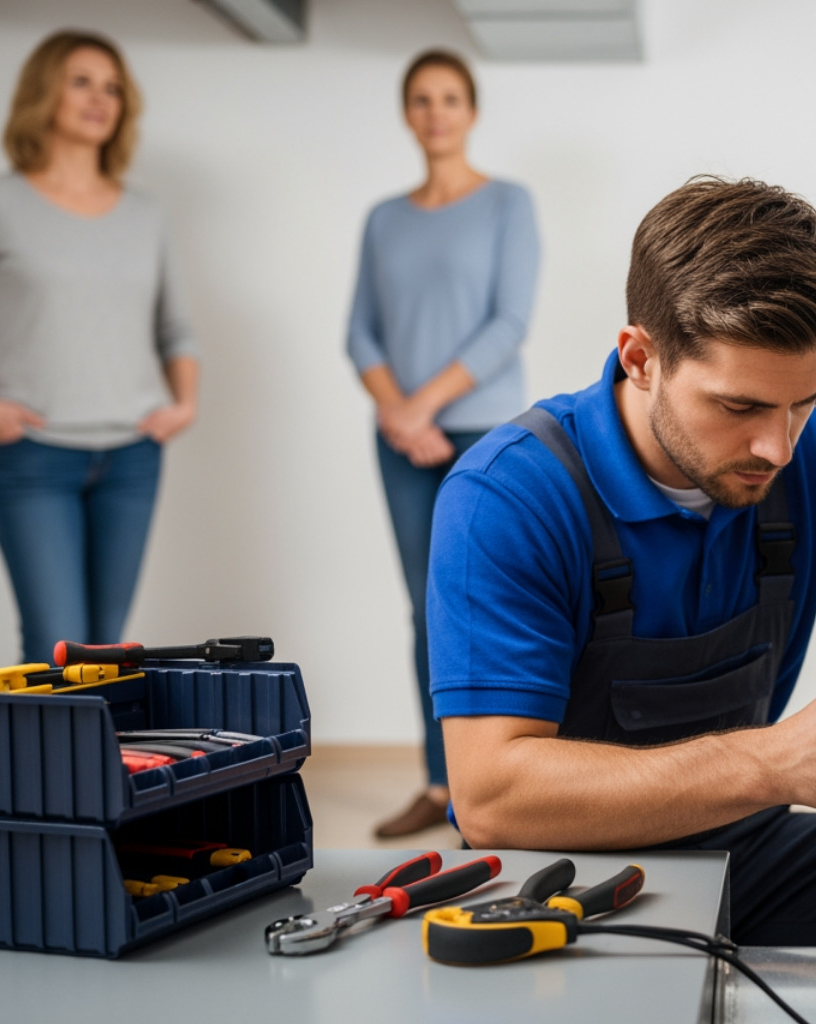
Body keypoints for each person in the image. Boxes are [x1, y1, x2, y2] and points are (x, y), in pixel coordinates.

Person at [425, 177, 816, 961]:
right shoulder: (508, 496)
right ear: (641, 358)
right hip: (558, 878)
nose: (778, 448)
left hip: (745, 849)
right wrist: (772, 762)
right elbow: (492, 798)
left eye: (804, 402)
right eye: (740, 407)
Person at [0, 30, 197, 664]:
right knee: (56, 644)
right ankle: (46, 740)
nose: (100, 98)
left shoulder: (144, 214)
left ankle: (99, 741)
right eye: (82, 82)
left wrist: (184, 405)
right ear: (44, 93)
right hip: (32, 457)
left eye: (113, 88)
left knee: (108, 648)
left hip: (132, 457)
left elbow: (176, 329)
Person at [346, 49, 540, 838]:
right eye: (422, 99)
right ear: (407, 114)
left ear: (471, 111)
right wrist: (399, 414)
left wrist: (422, 405)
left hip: (482, 430)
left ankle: (490, 789)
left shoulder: (508, 204)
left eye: (450, 98)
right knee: (425, 612)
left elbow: (509, 324)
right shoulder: (383, 219)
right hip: (400, 438)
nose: (436, 112)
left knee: (482, 606)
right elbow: (360, 333)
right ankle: (438, 783)